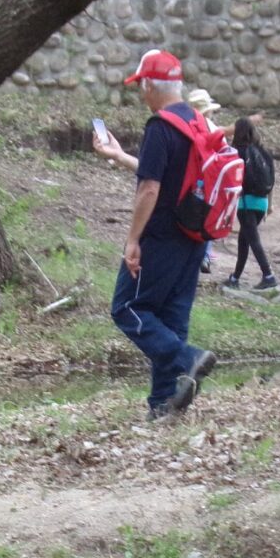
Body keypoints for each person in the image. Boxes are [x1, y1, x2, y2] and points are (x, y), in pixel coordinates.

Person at [94, 50, 217, 419]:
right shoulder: (199, 123)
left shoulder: (160, 127)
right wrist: (120, 156)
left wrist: (132, 240)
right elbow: (169, 173)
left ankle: (189, 358)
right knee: (170, 317)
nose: (141, 94)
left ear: (149, 84)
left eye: (141, 87)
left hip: (161, 237)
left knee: (127, 308)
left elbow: (150, 188)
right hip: (195, 237)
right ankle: (164, 402)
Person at [225, 117, 277, 290]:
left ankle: (268, 275)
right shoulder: (263, 152)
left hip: (245, 203)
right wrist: (269, 206)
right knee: (244, 241)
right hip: (261, 203)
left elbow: (230, 179)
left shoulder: (236, 152)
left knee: (253, 240)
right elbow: (272, 181)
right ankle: (235, 278)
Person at [186, 87, 224, 274]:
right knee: (206, 218)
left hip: (190, 180)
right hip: (210, 181)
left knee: (189, 216)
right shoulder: (212, 128)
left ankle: (193, 254)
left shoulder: (186, 125)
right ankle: (205, 255)